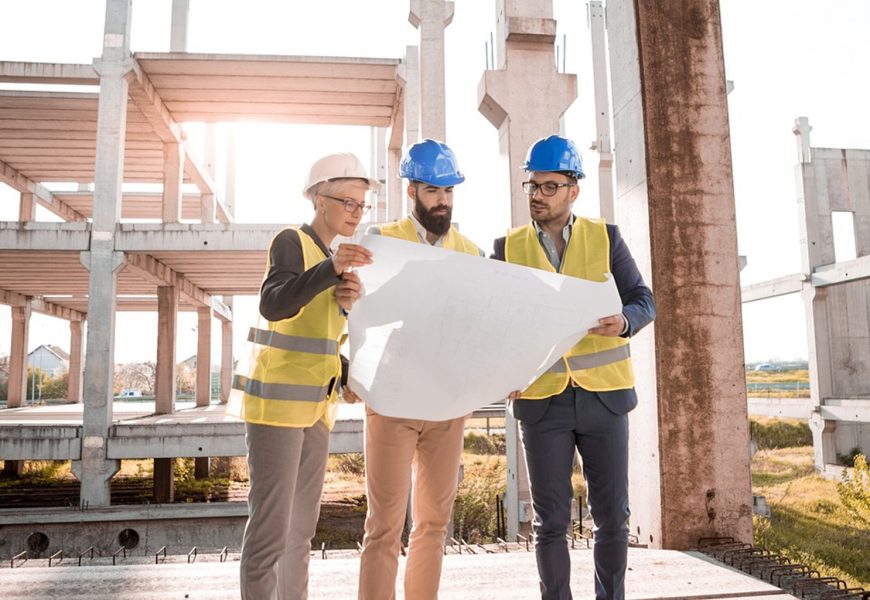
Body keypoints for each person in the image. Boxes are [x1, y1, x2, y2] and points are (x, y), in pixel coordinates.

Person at [492, 135, 655, 600]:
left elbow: (643, 301)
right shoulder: (508, 246)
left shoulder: (606, 238)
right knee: (550, 522)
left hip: (605, 397)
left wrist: (624, 321)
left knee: (611, 517)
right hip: (542, 402)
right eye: (532, 187)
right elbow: (489, 321)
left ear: (572, 191)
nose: (537, 196)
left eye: (548, 187)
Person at [233, 152, 379, 600]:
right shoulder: (291, 241)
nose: (356, 212)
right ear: (319, 199)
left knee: (300, 534)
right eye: (348, 202)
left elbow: (319, 340)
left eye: (362, 205)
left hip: (317, 410)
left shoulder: (331, 258)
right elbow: (274, 304)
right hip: (277, 410)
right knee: (270, 534)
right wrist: (329, 272)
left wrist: (344, 308)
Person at [357, 139, 483, 600]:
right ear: (412, 190)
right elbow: (358, 312)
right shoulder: (383, 241)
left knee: (432, 524)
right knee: (384, 525)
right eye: (433, 190)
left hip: (447, 403)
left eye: (449, 191)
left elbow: (478, 325)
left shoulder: (470, 252)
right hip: (393, 400)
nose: (443, 201)